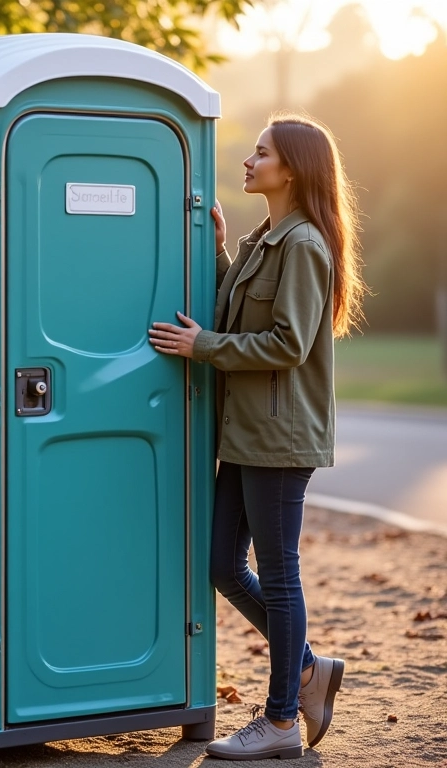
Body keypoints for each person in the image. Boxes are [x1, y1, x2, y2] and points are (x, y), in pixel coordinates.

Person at [148, 113, 366, 760]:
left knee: (278, 574)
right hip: (245, 432)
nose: (248, 161)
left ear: (291, 170)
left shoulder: (304, 245)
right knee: (221, 563)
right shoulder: (266, 239)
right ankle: (308, 669)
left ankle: (280, 721)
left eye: (261, 153)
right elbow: (236, 311)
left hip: (280, 435)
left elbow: (288, 343)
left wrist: (202, 347)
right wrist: (220, 250)